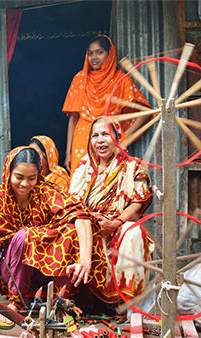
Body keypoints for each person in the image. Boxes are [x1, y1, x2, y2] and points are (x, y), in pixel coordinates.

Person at [0, 147, 108, 328]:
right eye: (19, 177)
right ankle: (15, 302)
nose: (25, 184)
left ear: (39, 174)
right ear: (8, 173)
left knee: (71, 231)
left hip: (50, 270)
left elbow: (81, 217)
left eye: (32, 178)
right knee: (24, 235)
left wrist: (85, 260)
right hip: (17, 270)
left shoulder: (46, 192)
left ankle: (61, 302)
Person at [68, 117, 154, 303]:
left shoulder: (132, 166)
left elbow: (137, 203)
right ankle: (75, 298)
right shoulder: (84, 166)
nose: (100, 140)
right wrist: (89, 222)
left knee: (133, 232)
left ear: (118, 137)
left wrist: (115, 223)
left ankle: (128, 302)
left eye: (105, 134)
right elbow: (72, 204)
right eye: (95, 135)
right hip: (88, 226)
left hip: (118, 224)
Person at [62, 35, 150, 174]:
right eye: (90, 53)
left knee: (110, 185)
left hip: (110, 139)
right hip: (82, 140)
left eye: (99, 52)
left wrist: (124, 139)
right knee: (81, 185)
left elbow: (144, 112)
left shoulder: (120, 79)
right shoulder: (80, 79)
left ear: (110, 54)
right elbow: (73, 119)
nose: (94, 57)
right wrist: (68, 153)